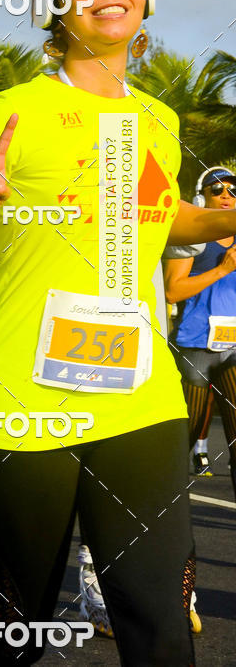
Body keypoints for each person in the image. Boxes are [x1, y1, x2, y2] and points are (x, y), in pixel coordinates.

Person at [0, 0, 236, 665]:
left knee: (160, 626)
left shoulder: (155, 119)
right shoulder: (9, 113)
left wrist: (219, 220)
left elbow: (157, 217)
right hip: (25, 403)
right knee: (22, 628)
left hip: (140, 400)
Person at [0, 251, 113, 637]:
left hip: (113, 376)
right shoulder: (14, 238)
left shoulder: (118, 234)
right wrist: (17, 324)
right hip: (36, 385)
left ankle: (97, 575)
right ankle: (82, 582)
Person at [164, 166, 236, 502]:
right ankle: (169, 525)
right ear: (200, 196)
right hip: (195, 345)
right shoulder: (192, 236)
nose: (226, 197)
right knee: (185, 440)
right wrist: (222, 269)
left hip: (233, 347)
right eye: (217, 190)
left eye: (233, 191)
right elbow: (172, 291)